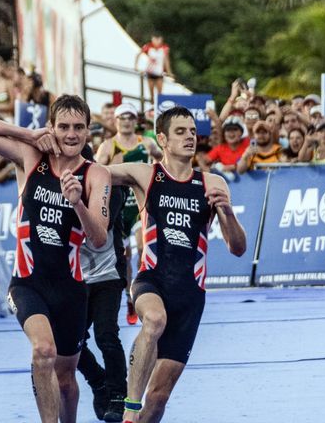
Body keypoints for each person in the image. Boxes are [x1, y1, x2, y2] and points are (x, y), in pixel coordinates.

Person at [0, 95, 111, 423]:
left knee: (65, 379)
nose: (70, 134)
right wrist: (28, 135)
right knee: (42, 351)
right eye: (63, 127)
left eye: (78, 128)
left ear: (89, 132)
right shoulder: (31, 156)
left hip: (71, 291)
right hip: (27, 283)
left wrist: (77, 203)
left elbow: (99, 239)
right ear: (51, 128)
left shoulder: (96, 175)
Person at [106, 106, 246, 423]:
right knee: (154, 320)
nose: (189, 138)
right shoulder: (146, 175)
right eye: (180, 132)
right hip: (151, 281)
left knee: (158, 399)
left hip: (190, 297)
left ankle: (140, 413)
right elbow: (96, 172)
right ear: (163, 140)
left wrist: (226, 212)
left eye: (193, 132)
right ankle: (129, 409)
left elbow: (238, 248)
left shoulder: (213, 183)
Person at [96, 102, 163, 325]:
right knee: (123, 259)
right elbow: (94, 174)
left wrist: (158, 178)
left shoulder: (147, 143)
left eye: (130, 117)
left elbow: (163, 160)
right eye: (122, 118)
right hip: (118, 209)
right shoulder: (108, 146)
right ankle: (129, 298)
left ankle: (147, 289)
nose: (126, 121)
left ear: (136, 121)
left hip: (140, 206)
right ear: (116, 121)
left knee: (143, 246)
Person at [77, 147, 128, 422]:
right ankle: (98, 381)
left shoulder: (109, 187)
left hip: (107, 275)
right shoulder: (55, 186)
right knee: (68, 342)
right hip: (76, 278)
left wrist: (74, 201)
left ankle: (119, 395)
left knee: (106, 335)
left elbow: (97, 228)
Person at [134, 34, 172, 103]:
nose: (157, 41)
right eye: (155, 39)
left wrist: (169, 71)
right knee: (151, 94)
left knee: (160, 94)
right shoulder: (148, 46)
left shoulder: (164, 48)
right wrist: (136, 66)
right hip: (150, 72)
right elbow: (138, 54)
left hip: (159, 72)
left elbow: (166, 60)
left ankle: (159, 108)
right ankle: (152, 108)